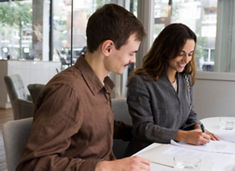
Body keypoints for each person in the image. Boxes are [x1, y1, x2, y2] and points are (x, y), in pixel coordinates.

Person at [17, 4, 150, 171]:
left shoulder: (99, 83)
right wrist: (104, 167)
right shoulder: (68, 91)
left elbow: (93, 126)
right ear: (108, 48)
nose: (133, 61)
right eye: (131, 53)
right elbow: (33, 165)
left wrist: (144, 133)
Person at [126, 23, 220, 154]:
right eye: (181, 53)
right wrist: (184, 136)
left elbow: (190, 114)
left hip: (175, 150)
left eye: (190, 54)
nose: (186, 59)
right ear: (165, 49)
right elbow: (143, 128)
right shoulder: (141, 82)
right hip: (148, 153)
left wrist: (198, 129)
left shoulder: (185, 79)